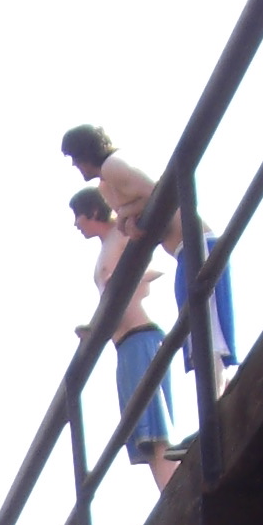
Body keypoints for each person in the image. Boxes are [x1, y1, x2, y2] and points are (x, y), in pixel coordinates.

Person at [60, 121, 236, 379]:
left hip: (197, 245)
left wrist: (126, 218)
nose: (75, 166)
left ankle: (219, 394)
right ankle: (215, 394)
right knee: (195, 329)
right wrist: (127, 219)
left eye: (75, 158)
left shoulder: (113, 167)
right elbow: (136, 209)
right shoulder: (105, 186)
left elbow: (159, 195)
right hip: (181, 252)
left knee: (206, 328)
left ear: (85, 153)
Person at [71, 185, 183, 494]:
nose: (76, 225)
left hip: (139, 338)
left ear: (93, 212)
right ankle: (169, 495)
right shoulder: (106, 246)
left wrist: (125, 279)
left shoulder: (121, 236)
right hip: (123, 345)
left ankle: (175, 495)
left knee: (154, 430)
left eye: (78, 216)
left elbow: (151, 270)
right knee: (142, 436)